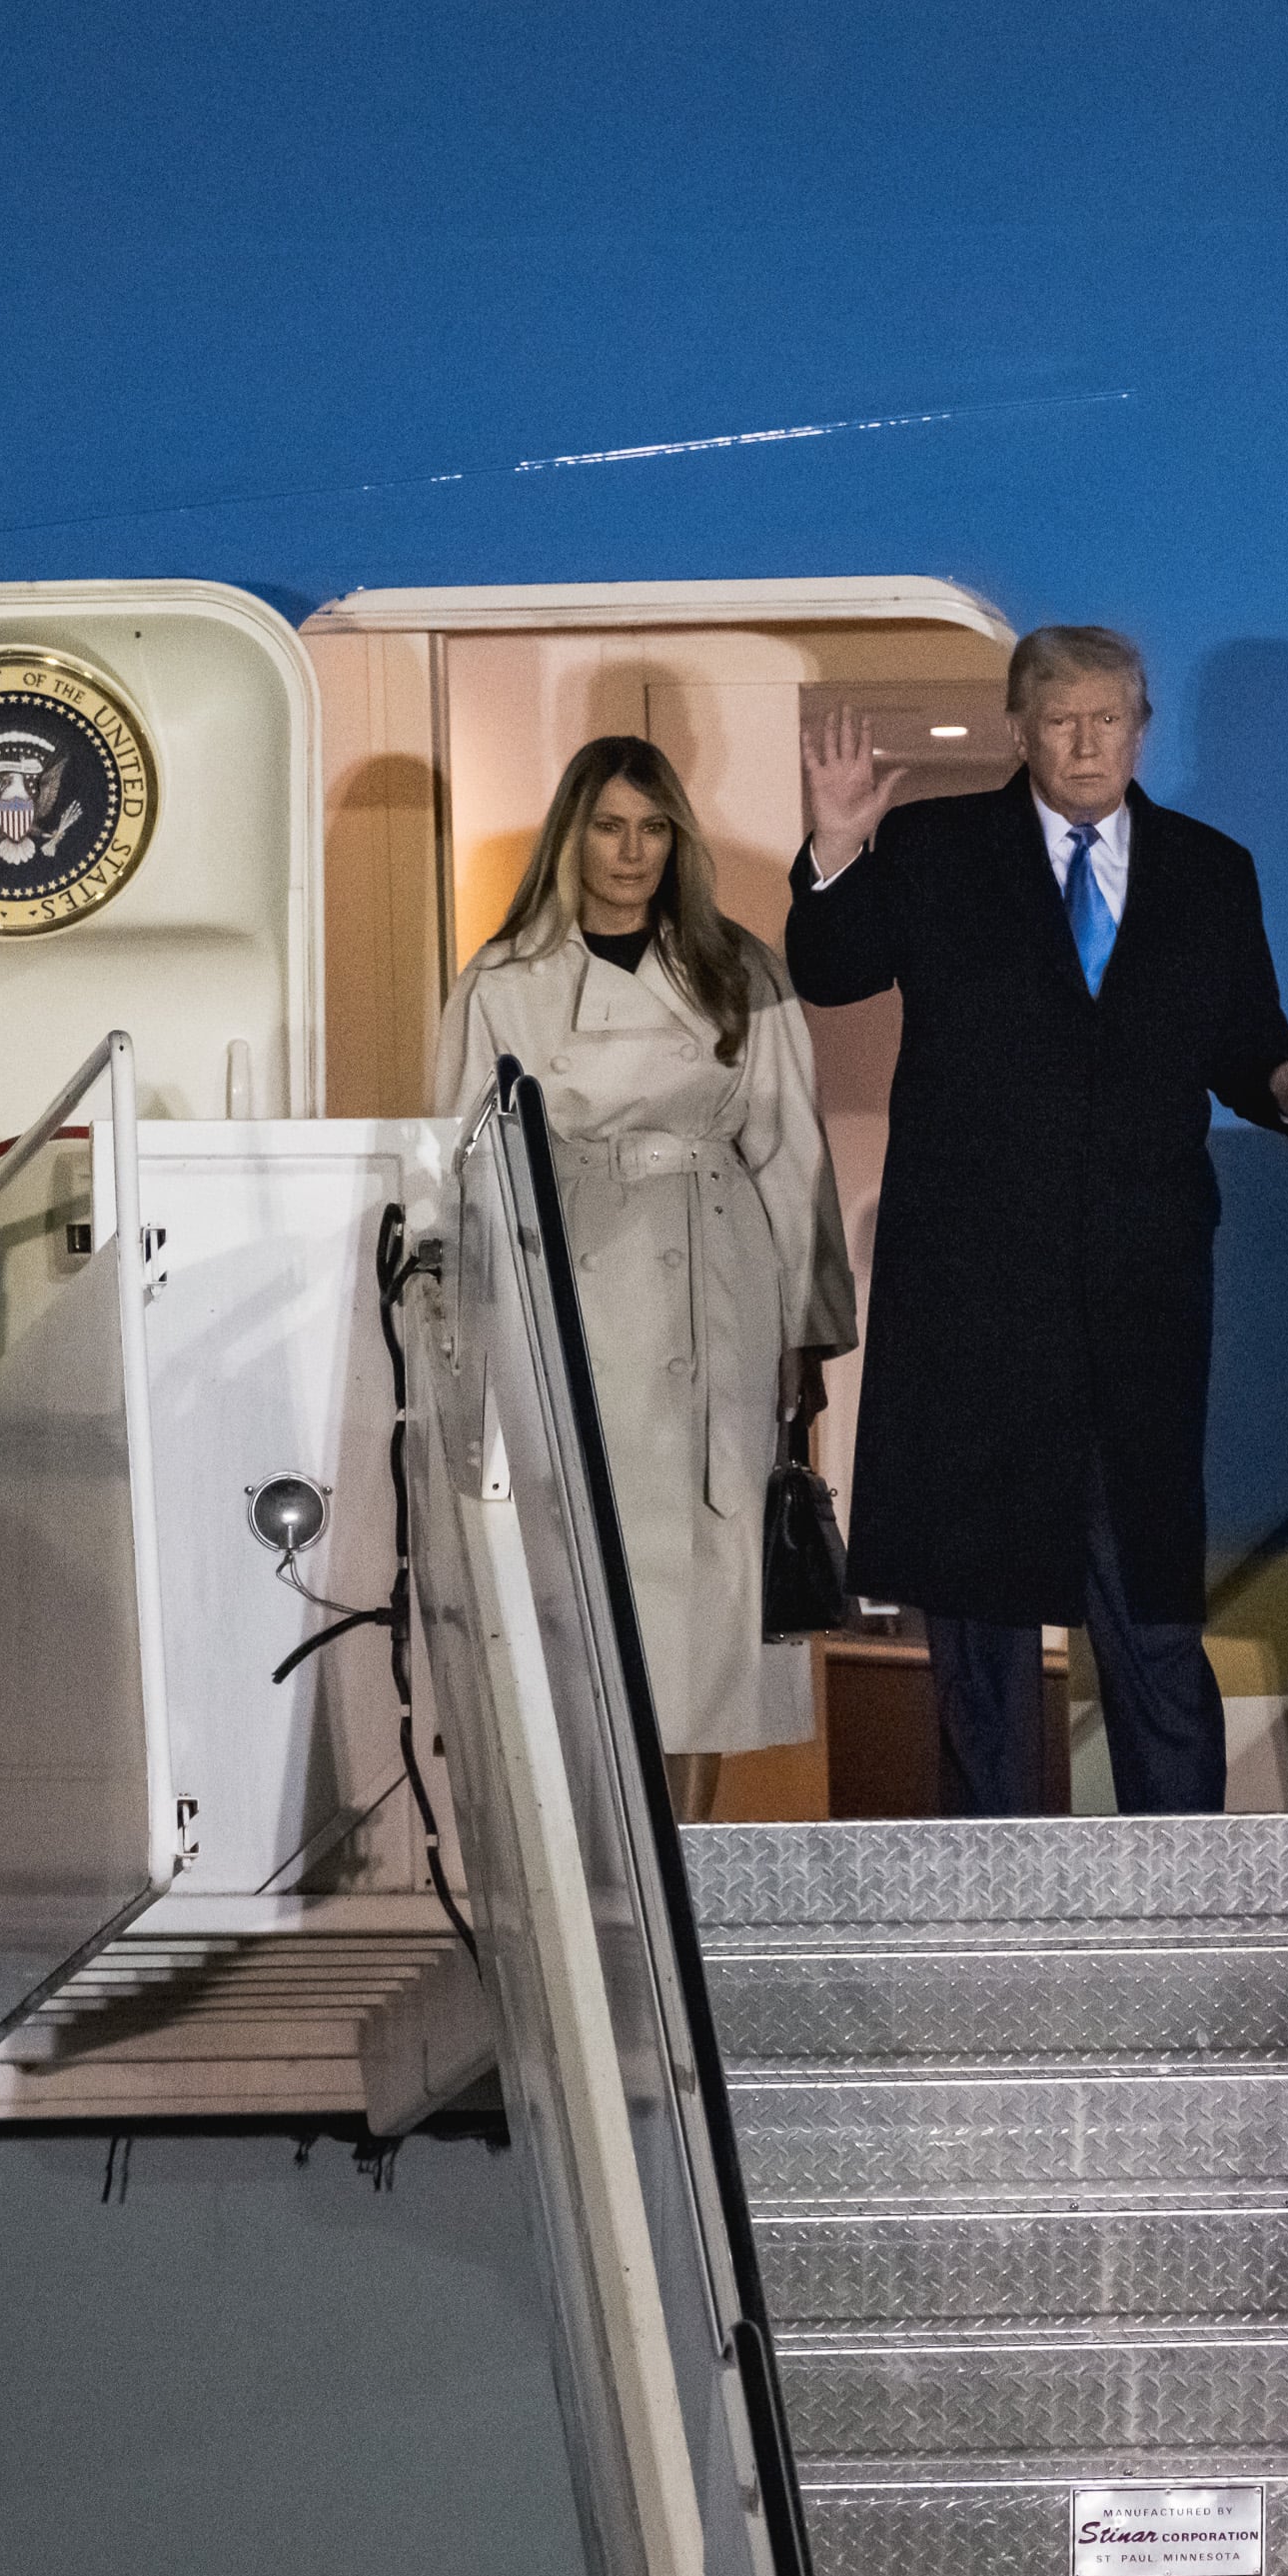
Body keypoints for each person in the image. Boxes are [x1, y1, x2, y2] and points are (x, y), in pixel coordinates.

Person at [790, 626, 1288, 1817]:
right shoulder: (936, 846)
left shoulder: (1209, 869)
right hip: (974, 1304)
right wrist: (833, 851)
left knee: (1148, 1607)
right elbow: (832, 971)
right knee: (979, 1620)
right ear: (1018, 728)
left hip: (1138, 1299)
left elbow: (1246, 1040)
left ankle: (1182, 1882)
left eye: (1107, 718)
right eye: (1060, 719)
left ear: (1143, 727)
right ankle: (992, 1884)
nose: (1086, 743)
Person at [439, 735, 855, 1820]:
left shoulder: (738, 967)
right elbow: (462, 1168)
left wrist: (804, 1335)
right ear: (569, 838)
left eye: (654, 828)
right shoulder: (504, 979)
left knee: (708, 1595)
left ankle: (689, 1856)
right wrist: (468, 1341)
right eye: (610, 827)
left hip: (715, 1288)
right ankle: (595, 1859)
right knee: (584, 1579)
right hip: (569, 1286)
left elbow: (791, 1153)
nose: (632, 852)